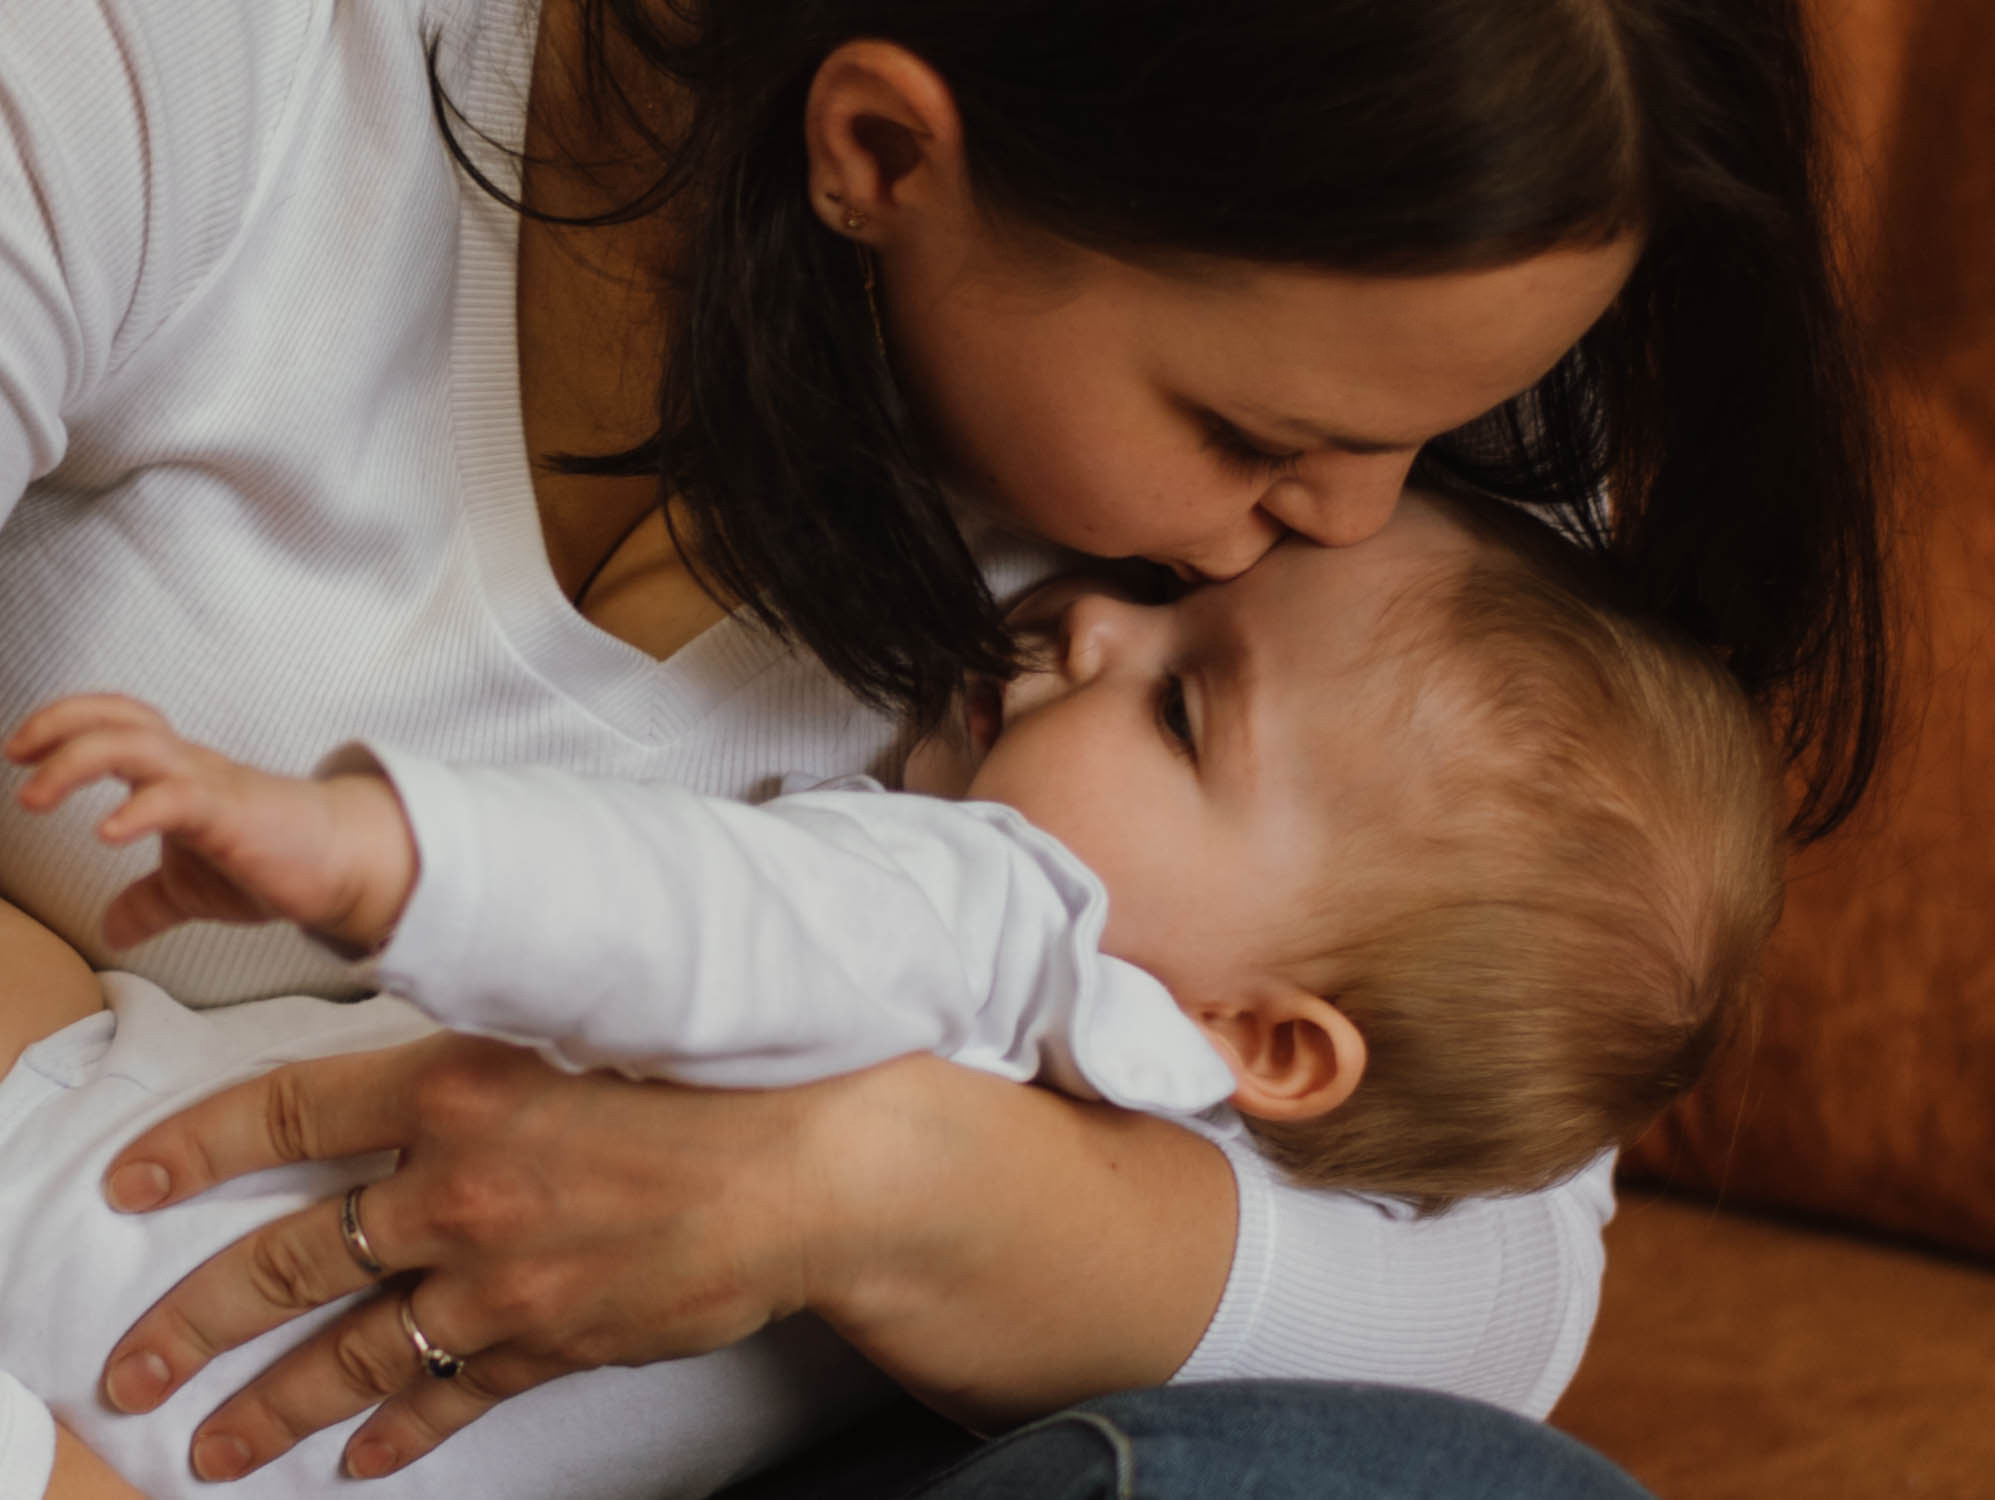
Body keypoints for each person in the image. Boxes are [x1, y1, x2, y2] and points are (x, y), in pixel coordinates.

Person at [0, 0, 1885, 1494]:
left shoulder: (1413, 321)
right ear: (884, 149)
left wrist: (856, 1188)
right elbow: (683, 911)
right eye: (1245, 430)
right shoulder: (169, 68)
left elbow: (1501, 1264)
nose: (1346, 525)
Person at [0, 494, 1768, 1500]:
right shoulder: (1078, 953)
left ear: (1273, 1045)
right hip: (101, 1260)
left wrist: (376, 855)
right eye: (1164, 606)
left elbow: (706, 913)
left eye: (1181, 705)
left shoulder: (1012, 925)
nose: (1089, 629)